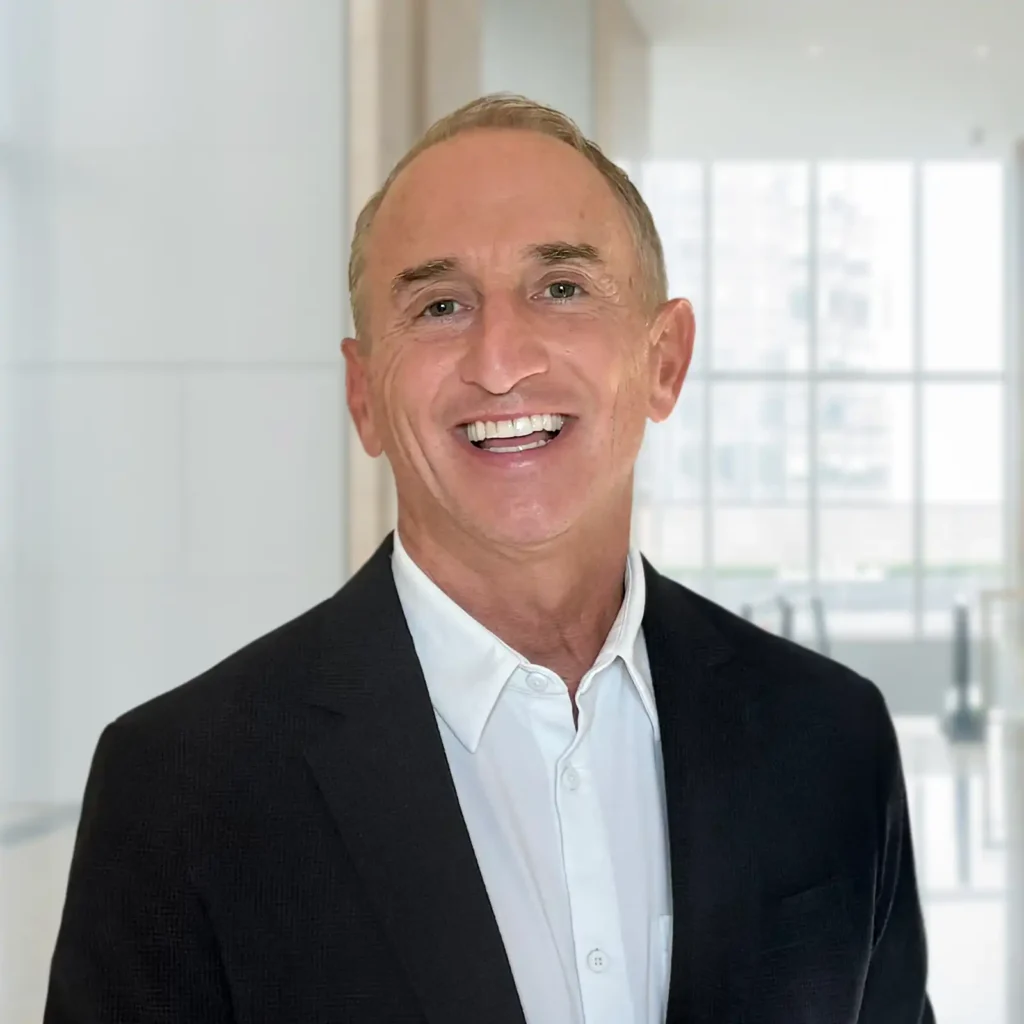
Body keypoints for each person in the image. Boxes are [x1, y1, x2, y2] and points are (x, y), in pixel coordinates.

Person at [44, 94, 934, 1024]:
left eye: (561, 288)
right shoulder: (184, 789)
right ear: (365, 398)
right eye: (439, 305)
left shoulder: (831, 741)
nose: (501, 360)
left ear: (664, 359)